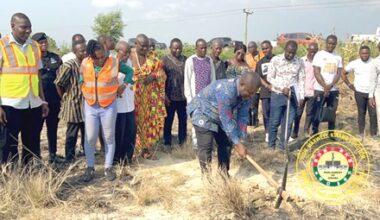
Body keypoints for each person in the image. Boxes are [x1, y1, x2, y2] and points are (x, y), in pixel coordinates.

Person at [187, 71, 261, 175]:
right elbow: (226, 119)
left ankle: (223, 174)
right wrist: (237, 143)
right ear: (242, 84)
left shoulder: (247, 94)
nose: (251, 95)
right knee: (206, 146)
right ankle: (207, 178)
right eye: (250, 92)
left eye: (254, 93)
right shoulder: (226, 91)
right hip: (202, 112)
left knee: (226, 144)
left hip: (219, 115)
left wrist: (240, 140)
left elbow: (243, 116)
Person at [80, 40, 134, 182]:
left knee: (109, 137)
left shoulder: (114, 62)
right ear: (92, 56)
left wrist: (124, 85)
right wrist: (83, 89)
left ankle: (108, 167)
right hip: (91, 105)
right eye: (98, 57)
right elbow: (81, 78)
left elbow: (130, 72)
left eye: (103, 55)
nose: (101, 59)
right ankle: (90, 167)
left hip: (109, 105)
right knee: (90, 137)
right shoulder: (85, 63)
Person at [0, 13, 49, 164]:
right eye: (24, 27)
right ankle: (10, 178)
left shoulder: (34, 46)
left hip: (33, 103)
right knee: (8, 144)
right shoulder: (2, 45)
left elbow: (37, 74)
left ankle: (28, 175)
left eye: (30, 27)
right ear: (12, 26)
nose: (28, 31)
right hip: (10, 104)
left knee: (31, 143)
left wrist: (43, 100)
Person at [131, 34, 166, 160]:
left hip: (149, 99)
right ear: (136, 44)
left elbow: (162, 73)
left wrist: (154, 76)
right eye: (143, 46)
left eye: (147, 46)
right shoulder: (129, 57)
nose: (146, 49)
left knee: (148, 123)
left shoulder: (152, 57)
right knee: (132, 123)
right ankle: (132, 150)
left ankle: (146, 149)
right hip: (132, 97)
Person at [267, 41, 305, 150]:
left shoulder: (299, 62)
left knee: (288, 123)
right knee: (274, 121)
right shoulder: (275, 60)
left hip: (292, 96)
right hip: (278, 95)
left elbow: (301, 79)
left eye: (293, 53)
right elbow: (270, 77)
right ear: (285, 50)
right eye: (288, 52)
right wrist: (281, 87)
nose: (290, 55)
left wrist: (301, 96)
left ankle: (282, 147)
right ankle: (271, 146)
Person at [31, 32, 63, 164]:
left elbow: (61, 76)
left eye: (45, 42)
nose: (44, 44)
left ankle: (53, 155)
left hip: (54, 100)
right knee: (36, 129)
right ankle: (36, 156)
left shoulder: (55, 58)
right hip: (38, 100)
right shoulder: (32, 59)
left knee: (53, 128)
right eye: (41, 42)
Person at [55, 41, 87, 163]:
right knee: (72, 133)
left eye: (85, 50)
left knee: (86, 131)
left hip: (86, 104)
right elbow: (58, 83)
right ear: (75, 52)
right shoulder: (68, 66)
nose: (84, 53)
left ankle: (85, 152)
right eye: (81, 51)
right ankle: (69, 157)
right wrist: (64, 96)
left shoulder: (88, 65)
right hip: (73, 104)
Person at [184, 38, 216, 151]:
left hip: (208, 98)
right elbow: (187, 81)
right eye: (201, 48)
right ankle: (196, 145)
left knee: (208, 120)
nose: (203, 50)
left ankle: (206, 144)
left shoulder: (209, 60)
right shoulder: (190, 61)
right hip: (195, 98)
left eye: (205, 48)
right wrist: (190, 99)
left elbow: (213, 78)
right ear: (196, 48)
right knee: (196, 122)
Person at [342, 46, 377, 139]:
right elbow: (343, 73)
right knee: (361, 112)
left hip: (372, 93)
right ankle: (361, 133)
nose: (365, 55)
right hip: (359, 92)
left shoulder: (374, 62)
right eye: (363, 53)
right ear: (359, 53)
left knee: (373, 113)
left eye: (367, 53)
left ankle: (374, 134)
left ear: (369, 53)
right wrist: (349, 85)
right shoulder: (354, 63)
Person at [311, 35, 343, 135]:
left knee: (332, 112)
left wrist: (331, 86)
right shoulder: (319, 55)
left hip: (333, 90)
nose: (331, 45)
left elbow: (338, 73)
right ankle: (315, 132)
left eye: (333, 44)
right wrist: (325, 86)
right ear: (326, 43)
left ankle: (331, 133)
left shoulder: (338, 57)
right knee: (317, 110)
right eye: (329, 43)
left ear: (336, 44)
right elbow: (316, 72)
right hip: (320, 89)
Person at [162, 38, 187, 152]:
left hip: (183, 97)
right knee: (168, 121)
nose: (177, 50)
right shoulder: (164, 61)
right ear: (170, 48)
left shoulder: (186, 60)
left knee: (183, 120)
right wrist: (164, 96)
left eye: (179, 48)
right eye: (175, 48)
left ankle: (182, 142)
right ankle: (167, 142)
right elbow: (161, 80)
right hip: (169, 97)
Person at [113, 41, 136, 164]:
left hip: (130, 105)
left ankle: (128, 158)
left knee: (130, 133)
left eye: (129, 52)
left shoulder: (131, 63)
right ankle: (116, 159)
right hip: (118, 106)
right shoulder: (111, 63)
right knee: (118, 134)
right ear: (117, 51)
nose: (127, 54)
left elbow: (133, 78)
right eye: (125, 52)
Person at [290, 43, 319, 140]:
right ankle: (295, 132)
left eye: (315, 52)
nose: (312, 54)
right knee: (298, 113)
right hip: (301, 92)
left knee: (310, 113)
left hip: (312, 92)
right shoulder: (301, 61)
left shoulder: (318, 62)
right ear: (307, 50)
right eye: (311, 52)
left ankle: (306, 131)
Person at [256, 40, 275, 142]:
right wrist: (267, 85)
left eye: (267, 48)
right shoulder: (260, 63)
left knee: (275, 112)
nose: (265, 50)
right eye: (263, 49)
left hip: (277, 91)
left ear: (271, 47)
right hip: (265, 92)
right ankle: (267, 132)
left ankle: (274, 131)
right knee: (266, 113)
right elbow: (258, 77)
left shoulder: (277, 60)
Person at [369, 42, 380, 138]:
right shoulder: (376, 61)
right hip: (378, 91)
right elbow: (372, 79)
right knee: (379, 113)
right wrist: (371, 96)